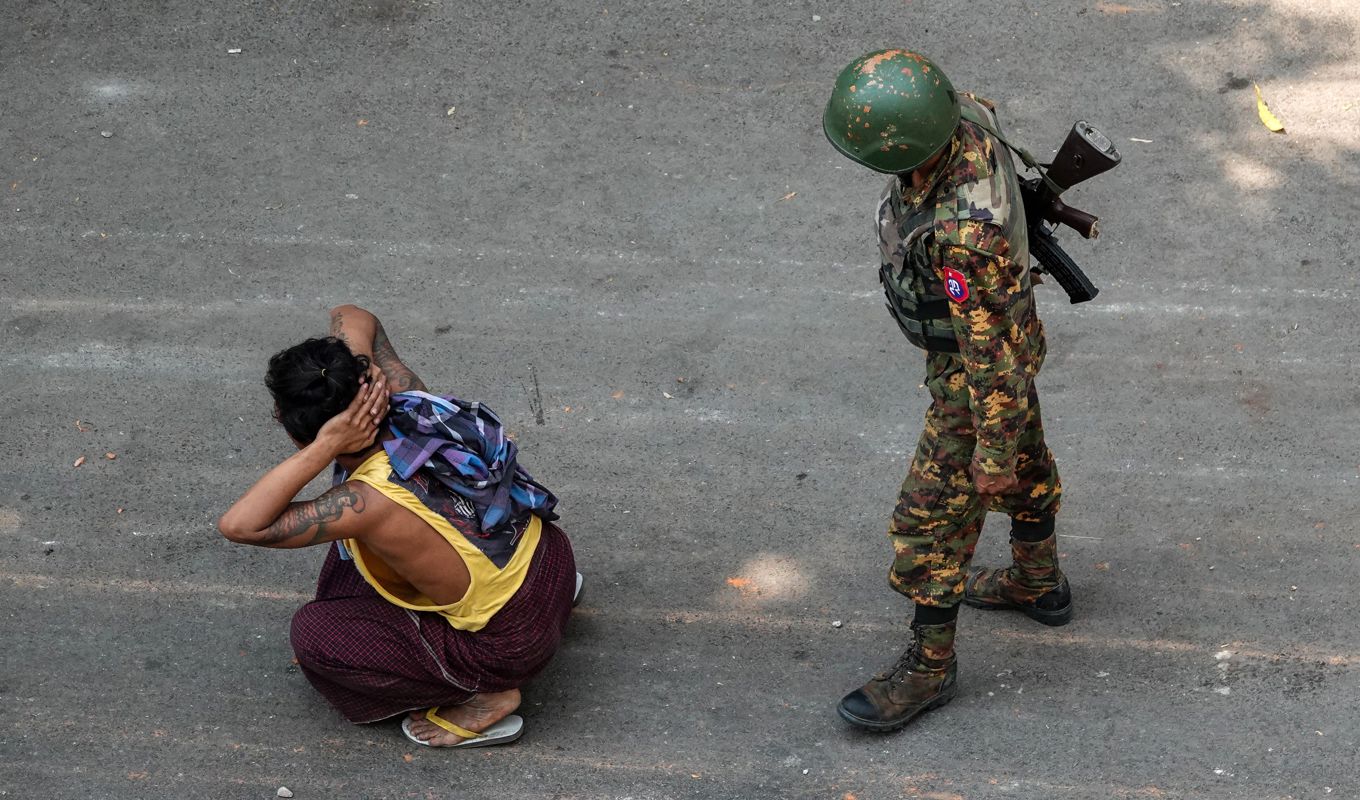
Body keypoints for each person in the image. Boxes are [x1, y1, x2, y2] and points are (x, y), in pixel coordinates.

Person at [822, 50, 1073, 732]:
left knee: (928, 522)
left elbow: (991, 365)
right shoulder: (959, 114)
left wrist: (989, 453)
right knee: (1025, 453)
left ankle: (930, 670)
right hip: (1005, 341)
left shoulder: (966, 239)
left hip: (977, 374)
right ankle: (1037, 581)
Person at [218, 305, 579, 749]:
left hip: (514, 643)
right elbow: (352, 314)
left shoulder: (367, 503)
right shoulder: (414, 402)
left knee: (316, 633)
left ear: (299, 433)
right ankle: (554, 602)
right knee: (352, 555)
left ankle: (488, 696)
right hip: (552, 562)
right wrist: (359, 371)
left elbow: (241, 525)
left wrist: (325, 446)